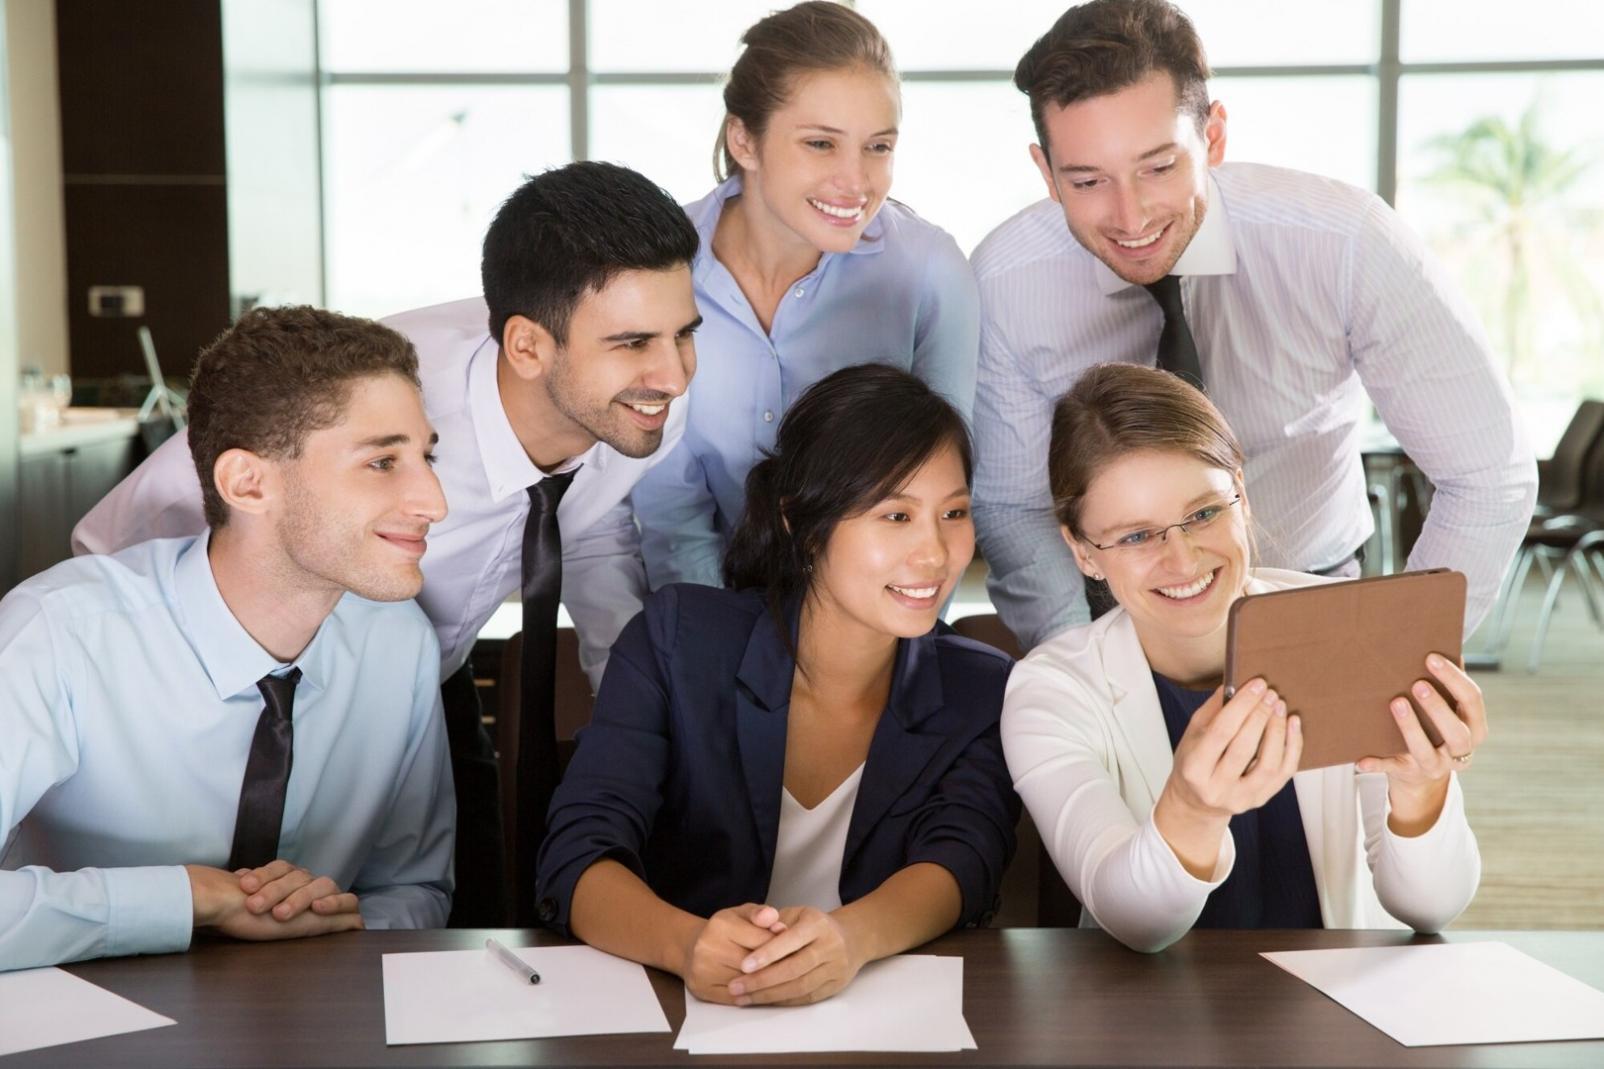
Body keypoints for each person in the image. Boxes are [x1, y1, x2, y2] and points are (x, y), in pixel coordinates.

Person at [70, 161, 702, 927]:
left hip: (420, 674)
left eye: (684, 334)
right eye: (634, 342)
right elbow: (141, 523)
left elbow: (593, 523)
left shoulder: (633, 408)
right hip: (254, 687)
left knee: (449, 909)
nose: (671, 374)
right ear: (528, 348)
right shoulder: (383, 398)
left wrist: (640, 704)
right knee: (218, 910)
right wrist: (140, 688)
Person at [970, 0, 1536, 651]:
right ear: (1046, 173)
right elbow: (1014, 510)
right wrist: (1087, 668)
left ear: (1212, 137)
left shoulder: (1343, 244)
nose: (1130, 216)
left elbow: (1489, 471)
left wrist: (1393, 659)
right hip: (1110, 620)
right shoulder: (1007, 283)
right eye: (1089, 180)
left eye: (1158, 167)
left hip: (1309, 595)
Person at [538, 365, 1017, 1006]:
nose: (935, 553)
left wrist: (851, 940)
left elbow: (966, 858)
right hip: (678, 1017)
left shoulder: (979, 686)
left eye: (953, 512)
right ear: (802, 525)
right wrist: (687, 946)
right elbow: (577, 853)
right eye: (895, 516)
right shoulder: (678, 641)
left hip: (877, 1023)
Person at [0, 307, 455, 971]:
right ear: (248, 482)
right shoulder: (59, 634)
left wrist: (333, 919)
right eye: (384, 461)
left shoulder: (399, 643)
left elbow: (414, 888)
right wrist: (186, 897)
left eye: (427, 456)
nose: (435, 499)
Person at [1001, 363, 1483, 954]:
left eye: (1204, 513)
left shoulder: (1349, 628)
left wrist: (1422, 789)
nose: (1182, 560)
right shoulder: (1050, 690)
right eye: (1135, 536)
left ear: (1242, 498)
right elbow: (1134, 922)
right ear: (1082, 552)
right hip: (1148, 1021)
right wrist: (1192, 808)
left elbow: (1432, 908)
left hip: (1342, 1013)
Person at [630, 0, 980, 590]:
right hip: (703, 604)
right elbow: (671, 515)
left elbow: (943, 498)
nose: (856, 182)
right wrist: (709, 648)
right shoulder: (659, 267)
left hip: (881, 614)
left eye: (878, 146)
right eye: (821, 144)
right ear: (744, 140)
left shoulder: (929, 271)